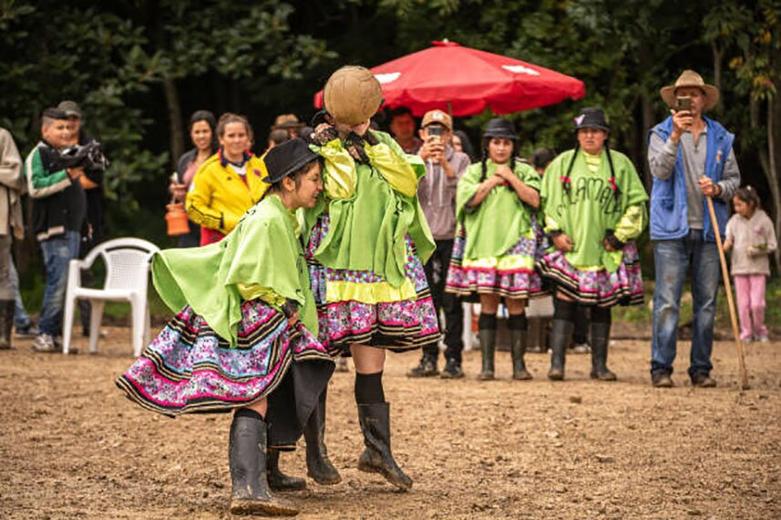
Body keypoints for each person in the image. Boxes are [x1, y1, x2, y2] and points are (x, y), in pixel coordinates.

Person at [117, 139, 333, 516]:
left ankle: (267, 474)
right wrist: (284, 305)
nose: (320, 187)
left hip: (264, 309)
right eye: (314, 179)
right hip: (249, 311)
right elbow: (244, 276)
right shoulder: (267, 220)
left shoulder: (284, 213)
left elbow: (335, 198)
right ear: (288, 183)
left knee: (289, 377)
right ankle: (248, 488)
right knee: (255, 393)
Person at [305, 66, 440, 491]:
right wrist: (337, 149)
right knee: (320, 361)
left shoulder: (383, 144)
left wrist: (369, 147)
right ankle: (316, 453)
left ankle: (376, 451)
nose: (359, 124)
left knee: (372, 363)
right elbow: (341, 190)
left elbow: (406, 182)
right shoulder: (317, 148)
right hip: (333, 268)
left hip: (376, 270)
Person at [538, 107, 648, 381]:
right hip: (570, 245)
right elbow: (546, 203)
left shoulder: (620, 164)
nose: (590, 136)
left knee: (602, 303)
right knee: (564, 301)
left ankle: (599, 366)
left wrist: (620, 235)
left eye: (595, 131)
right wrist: (555, 233)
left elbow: (636, 203)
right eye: (585, 131)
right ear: (577, 135)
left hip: (604, 246)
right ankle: (557, 364)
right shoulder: (562, 164)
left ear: (605, 135)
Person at [648, 70, 741, 388]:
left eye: (695, 94)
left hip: (708, 229)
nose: (689, 100)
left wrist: (717, 189)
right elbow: (659, 171)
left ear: (704, 99)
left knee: (706, 303)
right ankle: (661, 368)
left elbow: (734, 181)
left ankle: (701, 368)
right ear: (676, 100)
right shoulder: (660, 133)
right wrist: (675, 137)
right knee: (667, 301)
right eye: (683, 95)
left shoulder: (721, 136)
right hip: (670, 229)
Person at [445, 118, 542, 380]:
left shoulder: (524, 170)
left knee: (516, 305)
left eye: (506, 143)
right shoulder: (475, 171)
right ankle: (487, 366)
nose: (501, 148)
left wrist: (510, 177)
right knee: (487, 303)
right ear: (487, 145)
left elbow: (535, 199)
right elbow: (466, 203)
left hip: (517, 244)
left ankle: (519, 366)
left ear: (513, 146)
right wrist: (490, 182)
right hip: (483, 245)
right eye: (496, 142)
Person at [406, 109, 471, 379]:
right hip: (423, 240)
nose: (436, 136)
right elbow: (404, 190)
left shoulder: (462, 159)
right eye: (430, 131)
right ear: (421, 134)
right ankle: (428, 356)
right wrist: (418, 161)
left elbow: (467, 196)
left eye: (441, 131)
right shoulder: (411, 159)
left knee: (451, 299)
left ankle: (453, 358)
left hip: (451, 238)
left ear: (449, 134)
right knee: (425, 300)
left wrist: (446, 166)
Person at [24, 108, 87, 353]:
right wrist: (67, 175)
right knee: (57, 282)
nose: (65, 132)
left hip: (71, 229)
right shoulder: (38, 154)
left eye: (68, 128)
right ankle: (45, 334)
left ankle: (57, 335)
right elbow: (35, 186)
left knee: (67, 283)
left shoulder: (65, 154)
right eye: (59, 128)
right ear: (45, 130)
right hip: (53, 231)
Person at [59, 100, 110, 338]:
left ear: (80, 121)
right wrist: (73, 175)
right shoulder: (51, 146)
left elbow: (94, 181)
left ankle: (90, 324)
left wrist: (66, 177)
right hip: (58, 216)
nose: (70, 124)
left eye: (74, 119)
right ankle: (57, 326)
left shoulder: (92, 147)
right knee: (59, 270)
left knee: (85, 268)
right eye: (65, 119)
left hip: (87, 215)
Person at [186, 113, 269, 245]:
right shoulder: (208, 170)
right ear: (221, 139)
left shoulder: (259, 165)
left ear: (248, 137)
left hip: (255, 239)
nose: (237, 140)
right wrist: (222, 221)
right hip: (220, 242)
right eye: (231, 136)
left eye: (241, 135)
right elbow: (193, 207)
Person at [724, 186, 776, 343]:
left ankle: (760, 330)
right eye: (735, 205)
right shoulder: (734, 221)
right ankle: (746, 332)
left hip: (758, 269)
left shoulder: (764, 219)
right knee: (743, 304)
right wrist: (724, 246)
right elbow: (728, 239)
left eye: (740, 205)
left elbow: (772, 244)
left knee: (757, 304)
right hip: (739, 268)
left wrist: (758, 250)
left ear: (751, 203)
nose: (737, 208)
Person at [169, 110, 218, 248]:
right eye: (197, 132)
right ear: (191, 133)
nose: (201, 136)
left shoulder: (221, 158)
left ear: (213, 132)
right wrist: (175, 190)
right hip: (188, 223)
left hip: (213, 222)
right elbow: (179, 183)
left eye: (205, 131)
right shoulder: (185, 159)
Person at [0, 128, 25, 349]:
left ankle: (3, 336)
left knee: (3, 274)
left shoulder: (2, 136)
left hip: (0, 221)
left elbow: (16, 174)